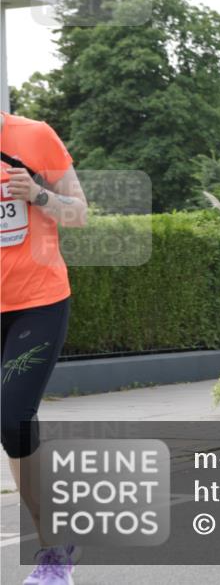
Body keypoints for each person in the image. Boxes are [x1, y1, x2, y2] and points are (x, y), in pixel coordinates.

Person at [2, 111, 88, 584]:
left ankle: (54, 556)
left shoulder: (34, 136)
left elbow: (80, 212)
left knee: (12, 416)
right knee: (14, 429)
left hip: (37, 303)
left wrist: (36, 193)